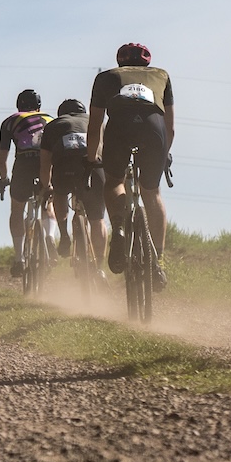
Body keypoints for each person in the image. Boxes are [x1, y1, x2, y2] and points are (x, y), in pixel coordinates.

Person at [86, 43, 173, 289]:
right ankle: (158, 261)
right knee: (152, 192)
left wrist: (92, 160)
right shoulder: (161, 75)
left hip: (119, 129)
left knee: (114, 181)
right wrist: (164, 153)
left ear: (119, 61)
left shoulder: (105, 77)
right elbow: (171, 126)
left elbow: (94, 128)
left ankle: (120, 229)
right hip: (153, 129)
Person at [39, 98, 107, 269]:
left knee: (60, 194)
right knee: (97, 220)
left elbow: (45, 163)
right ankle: (99, 267)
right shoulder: (96, 122)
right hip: (93, 168)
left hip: (65, 168)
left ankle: (63, 235)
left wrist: (47, 187)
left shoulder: (53, 125)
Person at [0, 89, 52, 277]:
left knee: (17, 209)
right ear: (39, 107)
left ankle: (19, 258)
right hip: (47, 163)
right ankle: (50, 236)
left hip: (24, 163)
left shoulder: (10, 121)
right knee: (47, 199)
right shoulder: (50, 119)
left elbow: (1, 159)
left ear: (18, 106)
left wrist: (3, 179)